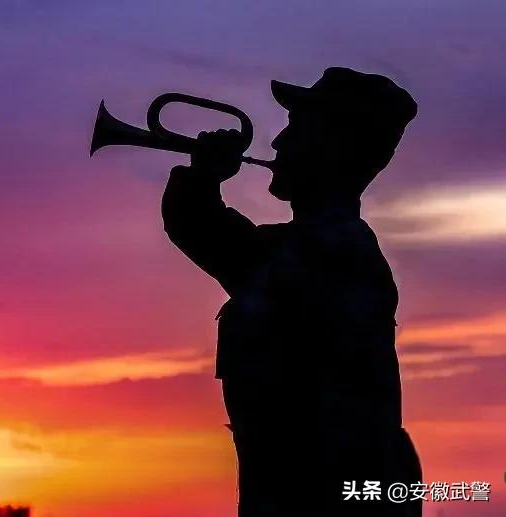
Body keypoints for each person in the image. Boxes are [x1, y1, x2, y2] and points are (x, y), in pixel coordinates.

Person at [161, 67, 422, 516]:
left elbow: (343, 435)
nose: (278, 143)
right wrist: (202, 179)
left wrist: (203, 180)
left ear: (334, 146)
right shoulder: (306, 247)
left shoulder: (333, 254)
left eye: (296, 128)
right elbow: (219, 242)